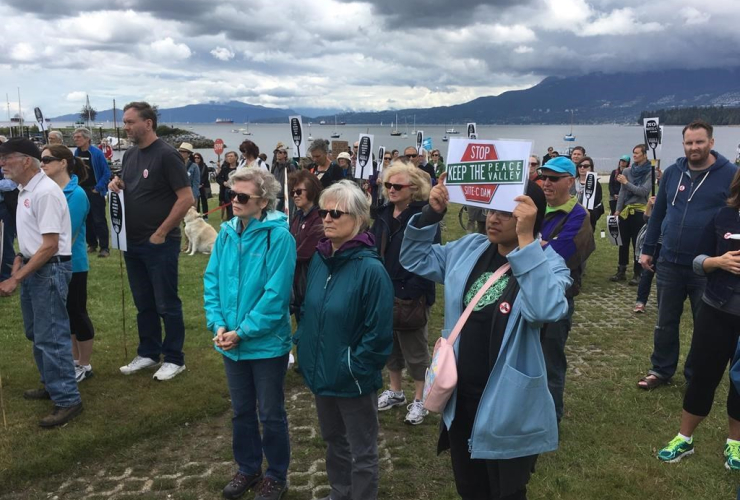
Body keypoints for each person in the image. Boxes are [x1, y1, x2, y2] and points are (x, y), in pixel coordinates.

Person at [400, 176, 571, 500]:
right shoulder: (470, 248)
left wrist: (525, 242)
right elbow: (414, 258)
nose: (493, 218)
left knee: (506, 491)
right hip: (462, 400)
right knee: (470, 489)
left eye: (506, 212)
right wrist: (429, 215)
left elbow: (544, 310)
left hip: (509, 406)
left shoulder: (548, 265)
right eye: (491, 209)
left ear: (528, 216)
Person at [294, 180, 393, 500]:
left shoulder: (371, 270)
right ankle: (340, 492)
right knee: (335, 441)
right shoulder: (322, 259)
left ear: (360, 219)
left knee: (362, 450)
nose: (327, 218)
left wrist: (352, 366)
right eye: (324, 211)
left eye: (337, 213)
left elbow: (378, 335)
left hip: (352, 379)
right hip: (322, 372)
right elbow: (311, 311)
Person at [204, 167, 295, 500]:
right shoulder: (226, 232)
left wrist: (242, 332)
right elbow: (211, 280)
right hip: (231, 342)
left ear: (264, 201)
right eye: (232, 194)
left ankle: (276, 474)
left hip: (266, 344)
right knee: (241, 410)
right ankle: (248, 467)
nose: (234, 201)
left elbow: (276, 294)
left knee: (271, 413)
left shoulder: (278, 236)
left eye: (243, 197)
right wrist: (218, 325)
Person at [638, 120, 738, 390]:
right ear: (683, 144)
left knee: (704, 326)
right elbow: (658, 214)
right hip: (669, 261)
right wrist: (648, 249)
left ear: (712, 143)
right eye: (689, 142)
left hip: (707, 266)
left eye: (700, 142)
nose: (694, 147)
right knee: (664, 322)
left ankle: (697, 375)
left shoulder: (730, 174)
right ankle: (660, 370)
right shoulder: (672, 172)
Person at [656, 168, 740, 470]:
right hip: (716, 309)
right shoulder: (723, 217)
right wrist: (718, 261)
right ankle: (684, 438)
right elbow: (697, 262)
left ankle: (735, 444)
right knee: (703, 375)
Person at [0, 137, 83, 427]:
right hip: (35, 267)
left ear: (26, 161)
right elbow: (35, 239)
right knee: (36, 332)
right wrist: (21, 259)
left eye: (7, 158)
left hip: (49, 270)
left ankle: (67, 399)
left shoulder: (45, 192)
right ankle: (52, 384)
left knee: (52, 335)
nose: (2, 163)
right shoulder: (26, 190)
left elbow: (49, 246)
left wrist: (15, 278)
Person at [109, 101, 194, 381]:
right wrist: (117, 184)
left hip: (159, 243)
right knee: (143, 302)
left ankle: (174, 358)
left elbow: (186, 198)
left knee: (166, 302)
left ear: (148, 123)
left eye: (130, 122)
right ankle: (148, 352)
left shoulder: (167, 156)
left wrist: (161, 231)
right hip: (132, 242)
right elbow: (131, 185)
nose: (126, 127)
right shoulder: (131, 155)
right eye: (124, 122)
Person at [370, 162, 437, 425]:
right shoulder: (384, 214)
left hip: (412, 291)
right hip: (384, 289)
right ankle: (396, 391)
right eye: (388, 185)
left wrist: (413, 290)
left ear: (414, 189)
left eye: (397, 186)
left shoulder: (424, 217)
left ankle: (420, 399)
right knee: (391, 347)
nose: (391, 190)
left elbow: (431, 256)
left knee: (415, 350)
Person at [537, 156, 595, 422]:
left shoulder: (579, 216)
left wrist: (533, 244)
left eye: (554, 178)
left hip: (556, 300)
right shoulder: (535, 208)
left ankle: (551, 419)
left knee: (550, 363)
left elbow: (561, 256)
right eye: (543, 177)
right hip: (523, 294)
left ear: (570, 181)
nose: (546, 183)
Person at [42, 145, 97, 383]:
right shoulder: (51, 190)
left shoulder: (76, 194)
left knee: (77, 312)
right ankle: (74, 360)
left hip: (73, 263)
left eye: (46, 159)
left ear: (63, 163)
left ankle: (85, 364)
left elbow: (67, 233)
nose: (41, 164)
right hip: (55, 262)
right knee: (66, 315)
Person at [610, 145, 652, 284]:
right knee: (623, 242)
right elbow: (622, 192)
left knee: (637, 243)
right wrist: (617, 210)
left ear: (645, 155)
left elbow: (643, 192)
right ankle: (621, 270)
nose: (634, 156)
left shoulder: (649, 172)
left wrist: (626, 183)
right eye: (633, 153)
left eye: (637, 153)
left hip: (640, 211)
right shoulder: (627, 170)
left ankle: (637, 273)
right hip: (626, 211)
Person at [287, 170, 324, 321]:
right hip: (297, 283)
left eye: (299, 191)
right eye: (293, 191)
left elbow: (304, 252)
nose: (295, 195)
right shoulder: (298, 216)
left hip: (311, 282)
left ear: (312, 191)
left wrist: (282, 257)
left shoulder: (319, 218)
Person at [73, 127, 111, 258]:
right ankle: (92, 244)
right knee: (86, 219)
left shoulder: (96, 153)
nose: (75, 139)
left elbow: (107, 172)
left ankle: (104, 247)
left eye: (78, 137)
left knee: (99, 219)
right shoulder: (76, 153)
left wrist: (99, 187)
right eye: (75, 137)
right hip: (81, 191)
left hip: (94, 190)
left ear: (87, 138)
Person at [574, 157, 604, 231]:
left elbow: (596, 204)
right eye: (580, 166)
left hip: (587, 221)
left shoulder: (596, 185)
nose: (582, 168)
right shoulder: (571, 182)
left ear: (591, 168)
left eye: (586, 166)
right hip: (571, 219)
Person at [271, 144, 297, 214]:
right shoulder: (274, 166)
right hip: (276, 196)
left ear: (285, 155)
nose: (277, 154)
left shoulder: (290, 166)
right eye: (277, 152)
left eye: (280, 152)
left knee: (287, 215)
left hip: (287, 196)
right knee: (275, 215)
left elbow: (296, 180)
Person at [217, 151, 239, 220]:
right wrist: (223, 183)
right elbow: (218, 178)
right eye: (228, 156)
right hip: (227, 191)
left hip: (237, 191)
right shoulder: (225, 168)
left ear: (236, 157)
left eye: (231, 156)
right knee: (229, 209)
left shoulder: (240, 167)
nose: (229, 158)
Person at [178, 142, 200, 208]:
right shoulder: (176, 165)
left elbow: (196, 183)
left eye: (183, 152)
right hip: (178, 196)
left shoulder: (194, 166)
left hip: (190, 195)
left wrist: (193, 197)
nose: (181, 153)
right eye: (180, 151)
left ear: (189, 154)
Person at [192, 152, 211, 218]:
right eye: (195, 158)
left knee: (204, 201)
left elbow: (206, 176)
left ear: (200, 158)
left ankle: (205, 216)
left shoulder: (204, 166)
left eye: (198, 158)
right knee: (196, 201)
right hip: (195, 186)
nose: (196, 159)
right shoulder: (192, 166)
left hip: (203, 186)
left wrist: (201, 184)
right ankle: (197, 215)